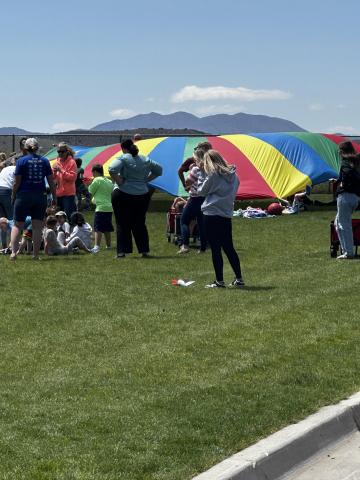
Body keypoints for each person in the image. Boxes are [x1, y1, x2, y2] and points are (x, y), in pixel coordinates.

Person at [195, 149, 244, 288]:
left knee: (215, 248)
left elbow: (201, 191)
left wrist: (201, 173)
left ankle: (219, 281)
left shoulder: (212, 175)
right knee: (229, 247)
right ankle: (239, 278)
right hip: (226, 213)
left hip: (211, 213)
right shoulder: (234, 176)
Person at [108, 138, 162, 258]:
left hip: (122, 193)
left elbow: (112, 169)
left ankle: (122, 252)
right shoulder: (145, 159)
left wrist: (119, 180)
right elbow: (159, 170)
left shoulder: (123, 158)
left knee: (122, 223)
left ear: (123, 149)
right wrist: (146, 180)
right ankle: (144, 251)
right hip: (142, 195)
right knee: (140, 223)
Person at [10, 138, 56, 260]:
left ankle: (14, 253)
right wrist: (54, 197)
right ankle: (35, 255)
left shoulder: (21, 161)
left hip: (23, 195)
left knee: (17, 225)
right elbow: (51, 182)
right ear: (37, 148)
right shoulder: (45, 161)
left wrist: (13, 195)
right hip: (40, 196)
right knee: (37, 227)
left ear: (25, 148)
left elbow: (16, 182)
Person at [334, 144, 360, 260]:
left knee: (344, 225)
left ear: (342, 151)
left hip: (345, 196)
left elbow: (348, 174)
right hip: (355, 197)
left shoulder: (345, 162)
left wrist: (343, 183)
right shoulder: (356, 162)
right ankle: (346, 250)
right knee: (337, 223)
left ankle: (348, 252)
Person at [88, 163, 114, 253]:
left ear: (95, 172)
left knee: (98, 228)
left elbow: (90, 191)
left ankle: (96, 247)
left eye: (92, 172)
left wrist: (90, 183)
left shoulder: (97, 180)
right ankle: (109, 246)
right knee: (107, 228)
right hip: (109, 207)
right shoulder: (109, 181)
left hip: (100, 208)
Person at [52, 142, 77, 218]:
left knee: (69, 216)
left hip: (68, 194)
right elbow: (53, 178)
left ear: (67, 152)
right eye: (58, 151)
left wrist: (61, 170)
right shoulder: (56, 162)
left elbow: (72, 178)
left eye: (62, 151)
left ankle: (71, 229)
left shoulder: (72, 162)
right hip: (59, 193)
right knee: (59, 216)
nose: (60, 153)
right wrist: (54, 172)